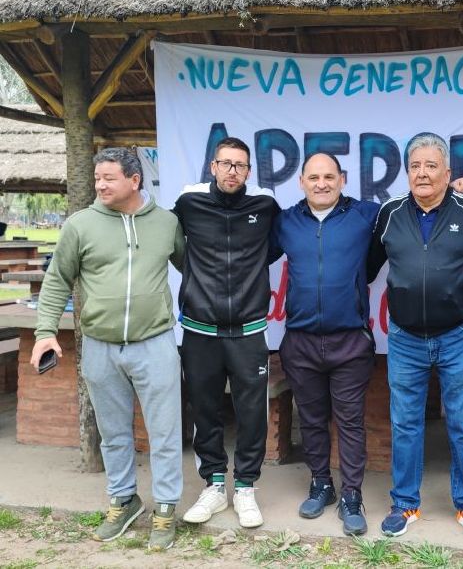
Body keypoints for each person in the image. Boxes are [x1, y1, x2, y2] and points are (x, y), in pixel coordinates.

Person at [30, 148, 185, 551]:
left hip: (155, 343)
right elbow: (56, 281)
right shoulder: (80, 225)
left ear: (134, 181)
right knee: (113, 434)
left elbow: (194, 269)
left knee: (165, 432)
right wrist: (45, 331)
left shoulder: (167, 223)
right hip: (100, 346)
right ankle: (124, 500)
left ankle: (166, 507)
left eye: (108, 178)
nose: (99, 184)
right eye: (97, 177)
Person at [368, 132, 463, 544]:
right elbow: (368, 267)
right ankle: (404, 503)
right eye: (415, 166)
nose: (422, 173)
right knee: (405, 423)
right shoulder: (389, 213)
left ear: (448, 172)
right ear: (407, 172)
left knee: (462, 422)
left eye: (431, 165)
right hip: (404, 337)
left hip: (457, 335)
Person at [269, 152, 379, 536]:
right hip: (300, 341)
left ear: (342, 179)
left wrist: (458, 192)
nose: (321, 183)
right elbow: (249, 250)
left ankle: (352, 495)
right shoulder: (285, 221)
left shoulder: (366, 216)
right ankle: (321, 484)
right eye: (313, 177)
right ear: (301, 181)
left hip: (350, 341)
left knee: (349, 422)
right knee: (312, 420)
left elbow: (408, 220)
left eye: (329, 176)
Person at [174, 137, 280, 529]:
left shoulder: (265, 207)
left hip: (249, 331)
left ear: (249, 172)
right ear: (213, 167)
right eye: (226, 163)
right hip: (199, 331)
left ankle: (246, 487)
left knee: (252, 413)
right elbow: (166, 241)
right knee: (206, 409)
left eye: (240, 165)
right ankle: (215, 485)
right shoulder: (189, 205)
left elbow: (286, 238)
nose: (232, 170)